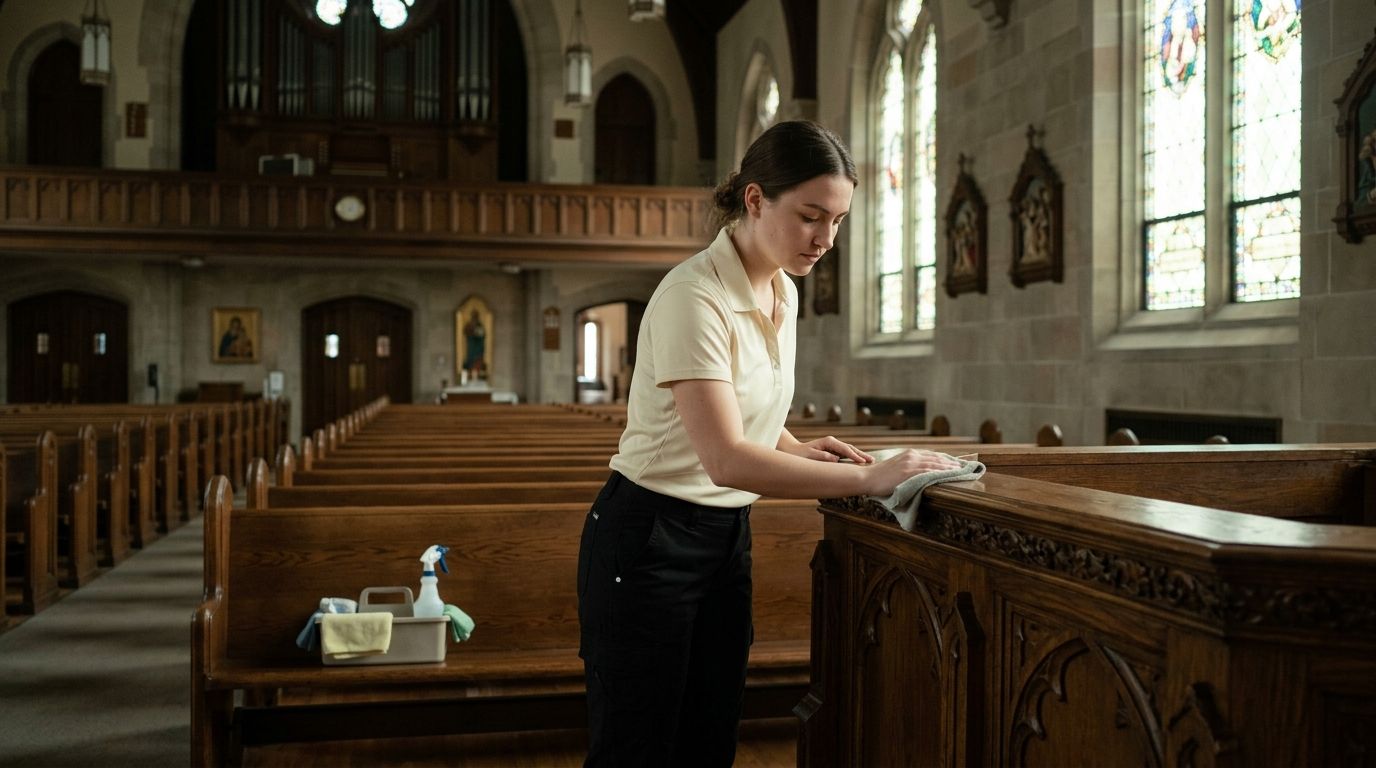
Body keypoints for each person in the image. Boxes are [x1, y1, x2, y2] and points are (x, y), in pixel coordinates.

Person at [576, 120, 960, 767]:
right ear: (755, 200)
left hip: (726, 536)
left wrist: (793, 444)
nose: (825, 239)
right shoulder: (693, 297)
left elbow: (744, 407)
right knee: (635, 749)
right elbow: (725, 457)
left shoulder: (784, 289)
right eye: (811, 217)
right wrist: (873, 478)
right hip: (649, 536)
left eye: (837, 222)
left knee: (709, 738)